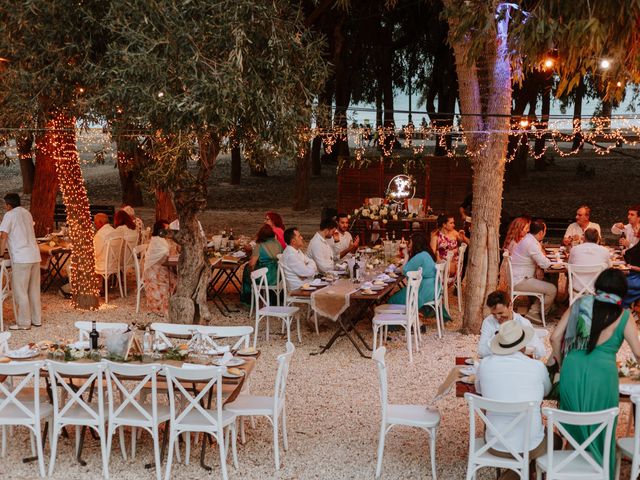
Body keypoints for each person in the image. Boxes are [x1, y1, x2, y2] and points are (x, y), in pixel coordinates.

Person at [551, 269, 640, 479]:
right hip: (603, 375)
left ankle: (573, 466)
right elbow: (637, 352)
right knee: (602, 427)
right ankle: (598, 470)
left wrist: (562, 366)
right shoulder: (624, 316)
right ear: (622, 290)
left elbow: (555, 337)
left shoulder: (579, 305)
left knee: (573, 422)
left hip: (571, 369)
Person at [475, 321, 552, 480]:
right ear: (523, 345)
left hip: (494, 443)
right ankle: (523, 472)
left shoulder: (484, 365)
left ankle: (514, 474)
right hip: (529, 446)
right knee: (555, 440)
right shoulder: (536, 367)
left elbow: (479, 390)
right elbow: (547, 391)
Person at [0, 193, 41, 330]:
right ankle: (37, 320)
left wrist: (1, 254)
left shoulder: (9, 215)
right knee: (34, 290)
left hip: (21, 257)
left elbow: (3, 236)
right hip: (35, 255)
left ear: (8, 205)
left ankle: (24, 323)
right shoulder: (27, 213)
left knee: (21, 291)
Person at [510, 220, 556, 323]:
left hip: (518, 277)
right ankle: (535, 313)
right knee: (552, 289)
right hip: (520, 281)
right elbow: (544, 264)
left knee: (548, 282)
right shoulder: (531, 243)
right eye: (545, 232)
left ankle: (538, 310)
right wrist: (556, 261)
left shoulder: (527, 239)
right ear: (540, 233)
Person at [478, 291, 546, 359]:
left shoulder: (523, 323)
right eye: (493, 314)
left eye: (500, 313)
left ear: (510, 306)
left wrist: (523, 349)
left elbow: (541, 352)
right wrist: (498, 338)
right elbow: (481, 352)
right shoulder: (488, 321)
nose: (497, 317)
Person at [388, 233, 437, 309]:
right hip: (431, 288)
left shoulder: (420, 256)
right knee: (396, 293)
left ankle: (400, 317)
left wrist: (406, 255)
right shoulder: (425, 254)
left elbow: (404, 270)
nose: (408, 245)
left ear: (416, 244)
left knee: (392, 299)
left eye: (410, 242)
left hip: (423, 291)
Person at [240, 224, 283, 304]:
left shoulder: (259, 246)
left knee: (247, 269)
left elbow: (252, 263)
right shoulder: (277, 243)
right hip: (277, 276)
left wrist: (250, 271)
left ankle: (248, 299)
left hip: (265, 278)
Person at [143, 219, 176, 314]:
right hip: (153, 270)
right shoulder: (157, 241)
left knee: (176, 278)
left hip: (160, 267)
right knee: (174, 279)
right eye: (166, 229)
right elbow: (166, 253)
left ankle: (171, 304)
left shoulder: (161, 240)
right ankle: (162, 307)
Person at [568, 228, 611, 293]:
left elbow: (569, 265)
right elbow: (609, 267)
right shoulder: (605, 251)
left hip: (577, 290)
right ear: (598, 239)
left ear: (584, 238)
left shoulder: (574, 249)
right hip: (597, 290)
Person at [430, 214, 467, 278]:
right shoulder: (436, 236)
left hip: (456, 263)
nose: (454, 225)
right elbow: (431, 253)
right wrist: (437, 254)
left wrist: (463, 237)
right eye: (451, 223)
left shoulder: (454, 233)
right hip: (443, 263)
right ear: (444, 225)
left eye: (453, 223)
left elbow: (462, 241)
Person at [622, 241, 640, 307]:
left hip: (636, 278)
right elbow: (627, 253)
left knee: (622, 283)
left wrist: (631, 267)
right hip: (633, 274)